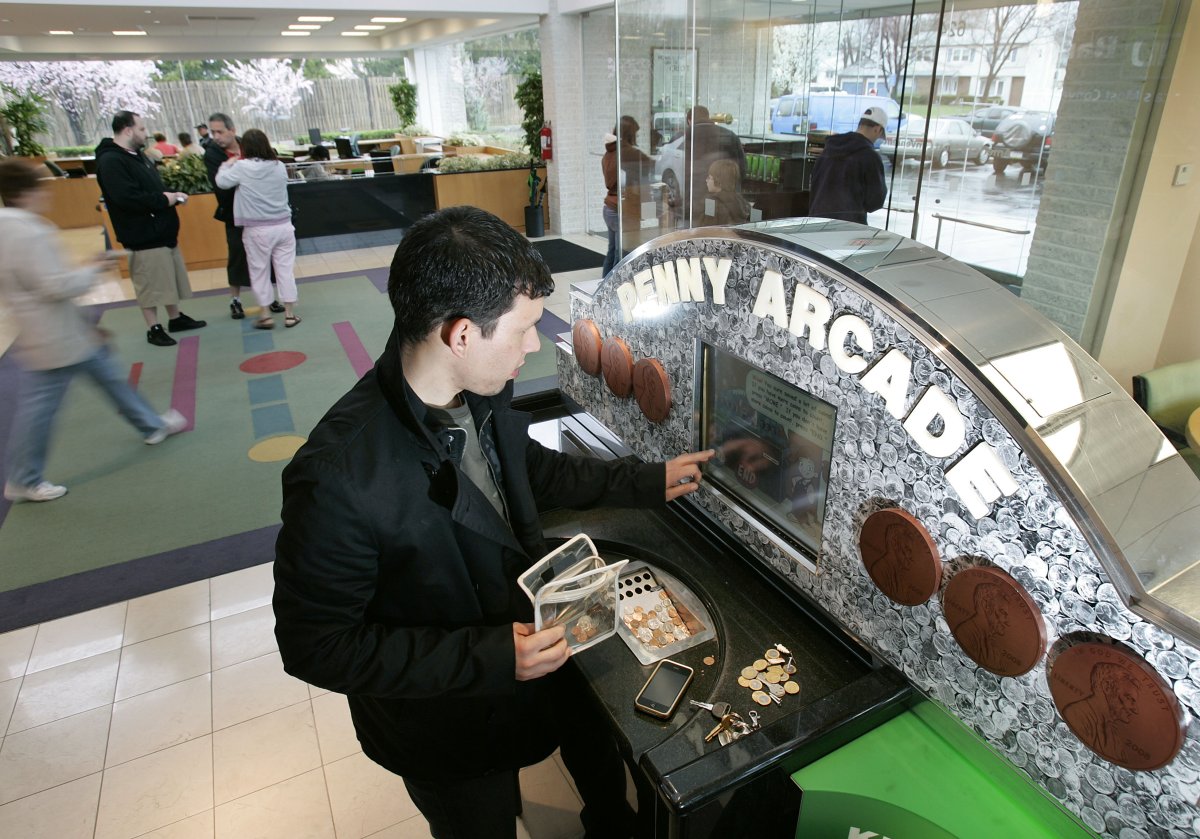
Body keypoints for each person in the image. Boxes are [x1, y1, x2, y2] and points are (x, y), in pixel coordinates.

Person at [273, 206, 715, 839]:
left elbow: (529, 470)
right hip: (446, 726)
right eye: (526, 328)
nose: (536, 345)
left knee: (595, 761)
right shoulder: (339, 478)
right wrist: (490, 656)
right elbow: (315, 644)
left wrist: (645, 480)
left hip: (535, 660)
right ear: (460, 334)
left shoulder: (480, 391)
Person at [0, 159, 187, 503]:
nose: (46, 195)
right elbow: (56, 286)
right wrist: (93, 268)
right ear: (27, 191)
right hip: (53, 335)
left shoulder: (6, 226)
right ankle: (24, 477)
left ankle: (151, 425)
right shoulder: (28, 231)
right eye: (41, 188)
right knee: (42, 406)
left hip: (48, 330)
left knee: (108, 376)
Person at [94, 110, 207, 347]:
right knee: (149, 283)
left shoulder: (137, 155)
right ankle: (153, 327)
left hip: (161, 231)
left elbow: (152, 186)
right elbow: (127, 198)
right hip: (142, 234)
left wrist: (171, 196)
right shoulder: (111, 160)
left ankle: (175, 318)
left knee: (166, 278)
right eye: (142, 129)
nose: (146, 134)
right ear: (127, 130)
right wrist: (164, 200)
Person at [214, 128, 300, 329]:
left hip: (257, 230)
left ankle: (265, 314)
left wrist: (227, 164)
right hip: (283, 226)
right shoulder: (278, 166)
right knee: (285, 271)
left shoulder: (241, 167)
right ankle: (289, 314)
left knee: (259, 271)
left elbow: (222, 182)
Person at [204, 112, 283, 320]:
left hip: (262, 215)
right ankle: (235, 299)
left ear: (232, 130)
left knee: (266, 260)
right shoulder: (212, 154)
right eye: (213, 132)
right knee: (238, 256)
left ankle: (269, 298)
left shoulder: (247, 145)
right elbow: (220, 186)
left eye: (220, 131)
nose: (216, 136)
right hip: (235, 214)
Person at [807, 106, 889, 225]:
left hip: (816, 222)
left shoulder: (830, 147)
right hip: (848, 228)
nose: (877, 139)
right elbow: (874, 202)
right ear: (877, 129)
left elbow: (814, 183)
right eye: (879, 135)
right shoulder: (869, 156)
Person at [600, 116, 652, 276]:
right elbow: (649, 163)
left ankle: (603, 283)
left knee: (613, 250)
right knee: (621, 254)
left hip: (609, 207)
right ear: (630, 134)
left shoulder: (609, 153)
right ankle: (612, 287)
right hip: (621, 208)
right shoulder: (626, 153)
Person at [681, 105, 746, 224]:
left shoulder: (687, 136)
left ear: (690, 120)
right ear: (707, 116)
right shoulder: (729, 135)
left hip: (697, 199)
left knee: (705, 227)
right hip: (727, 197)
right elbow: (742, 167)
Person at [699, 159, 751, 225]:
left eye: (709, 177)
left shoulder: (711, 202)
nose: (706, 180)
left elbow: (706, 228)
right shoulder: (742, 201)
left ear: (719, 180)